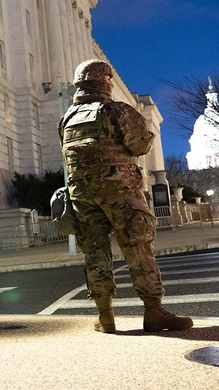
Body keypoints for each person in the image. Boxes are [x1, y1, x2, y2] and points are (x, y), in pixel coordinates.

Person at [59, 60, 192, 333]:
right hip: (119, 192)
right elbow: (141, 144)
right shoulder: (114, 110)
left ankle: (105, 316)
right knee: (138, 247)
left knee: (95, 253)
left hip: (82, 195)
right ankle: (153, 311)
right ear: (106, 81)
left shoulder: (67, 118)